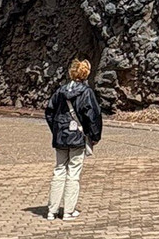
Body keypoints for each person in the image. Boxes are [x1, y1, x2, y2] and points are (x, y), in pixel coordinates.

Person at [44, 59, 102, 221]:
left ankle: (52, 211)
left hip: (61, 136)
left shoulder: (60, 91)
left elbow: (49, 111)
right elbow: (93, 116)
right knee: (73, 172)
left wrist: (56, 129)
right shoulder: (86, 92)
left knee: (59, 170)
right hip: (77, 136)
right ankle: (68, 211)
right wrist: (94, 136)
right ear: (86, 74)